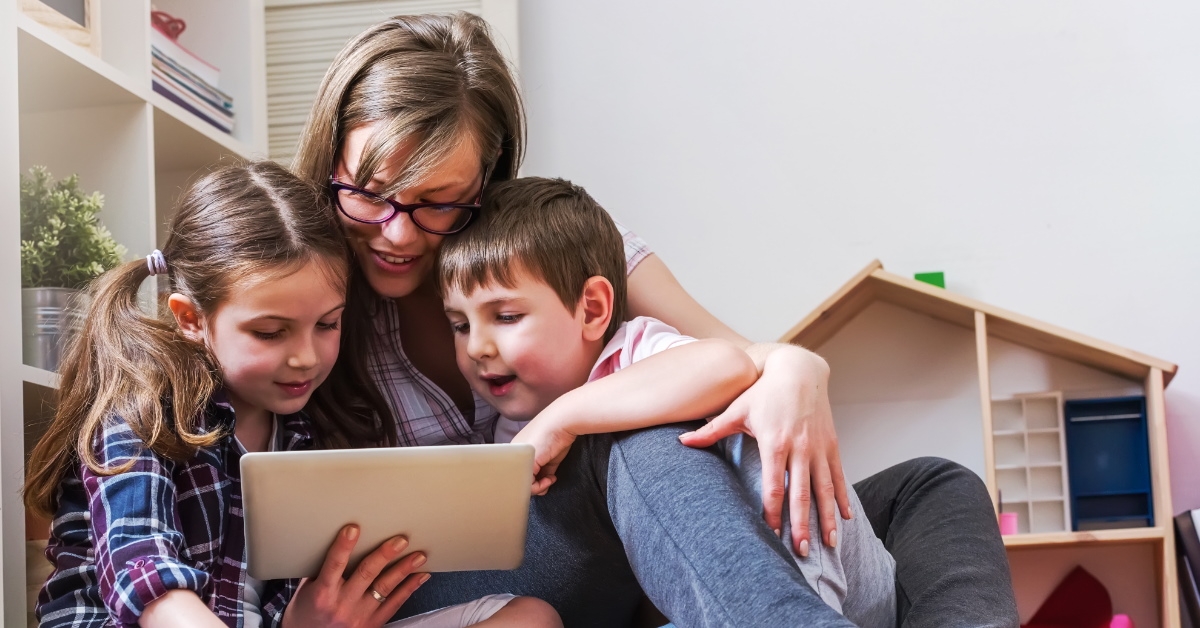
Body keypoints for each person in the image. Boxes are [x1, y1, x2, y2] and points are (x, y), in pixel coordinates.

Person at [291, 11, 1018, 627]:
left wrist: (799, 366)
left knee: (931, 485)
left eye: (437, 201)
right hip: (449, 576)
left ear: (486, 182)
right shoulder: (302, 296)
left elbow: (739, 358)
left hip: (643, 543)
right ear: (332, 165)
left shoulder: (557, 255)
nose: (396, 231)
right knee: (635, 430)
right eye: (370, 193)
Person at [21, 162, 561, 628]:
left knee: (530, 618)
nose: (305, 356)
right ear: (191, 319)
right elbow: (149, 584)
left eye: (327, 324)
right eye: (270, 332)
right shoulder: (142, 410)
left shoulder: (307, 428)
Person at [438, 176, 899, 628]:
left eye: (507, 317)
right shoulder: (509, 421)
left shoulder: (634, 351)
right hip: (709, 593)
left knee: (682, 430)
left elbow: (726, 364)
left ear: (592, 309)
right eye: (460, 325)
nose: (477, 346)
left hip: (812, 572)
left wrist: (563, 417)